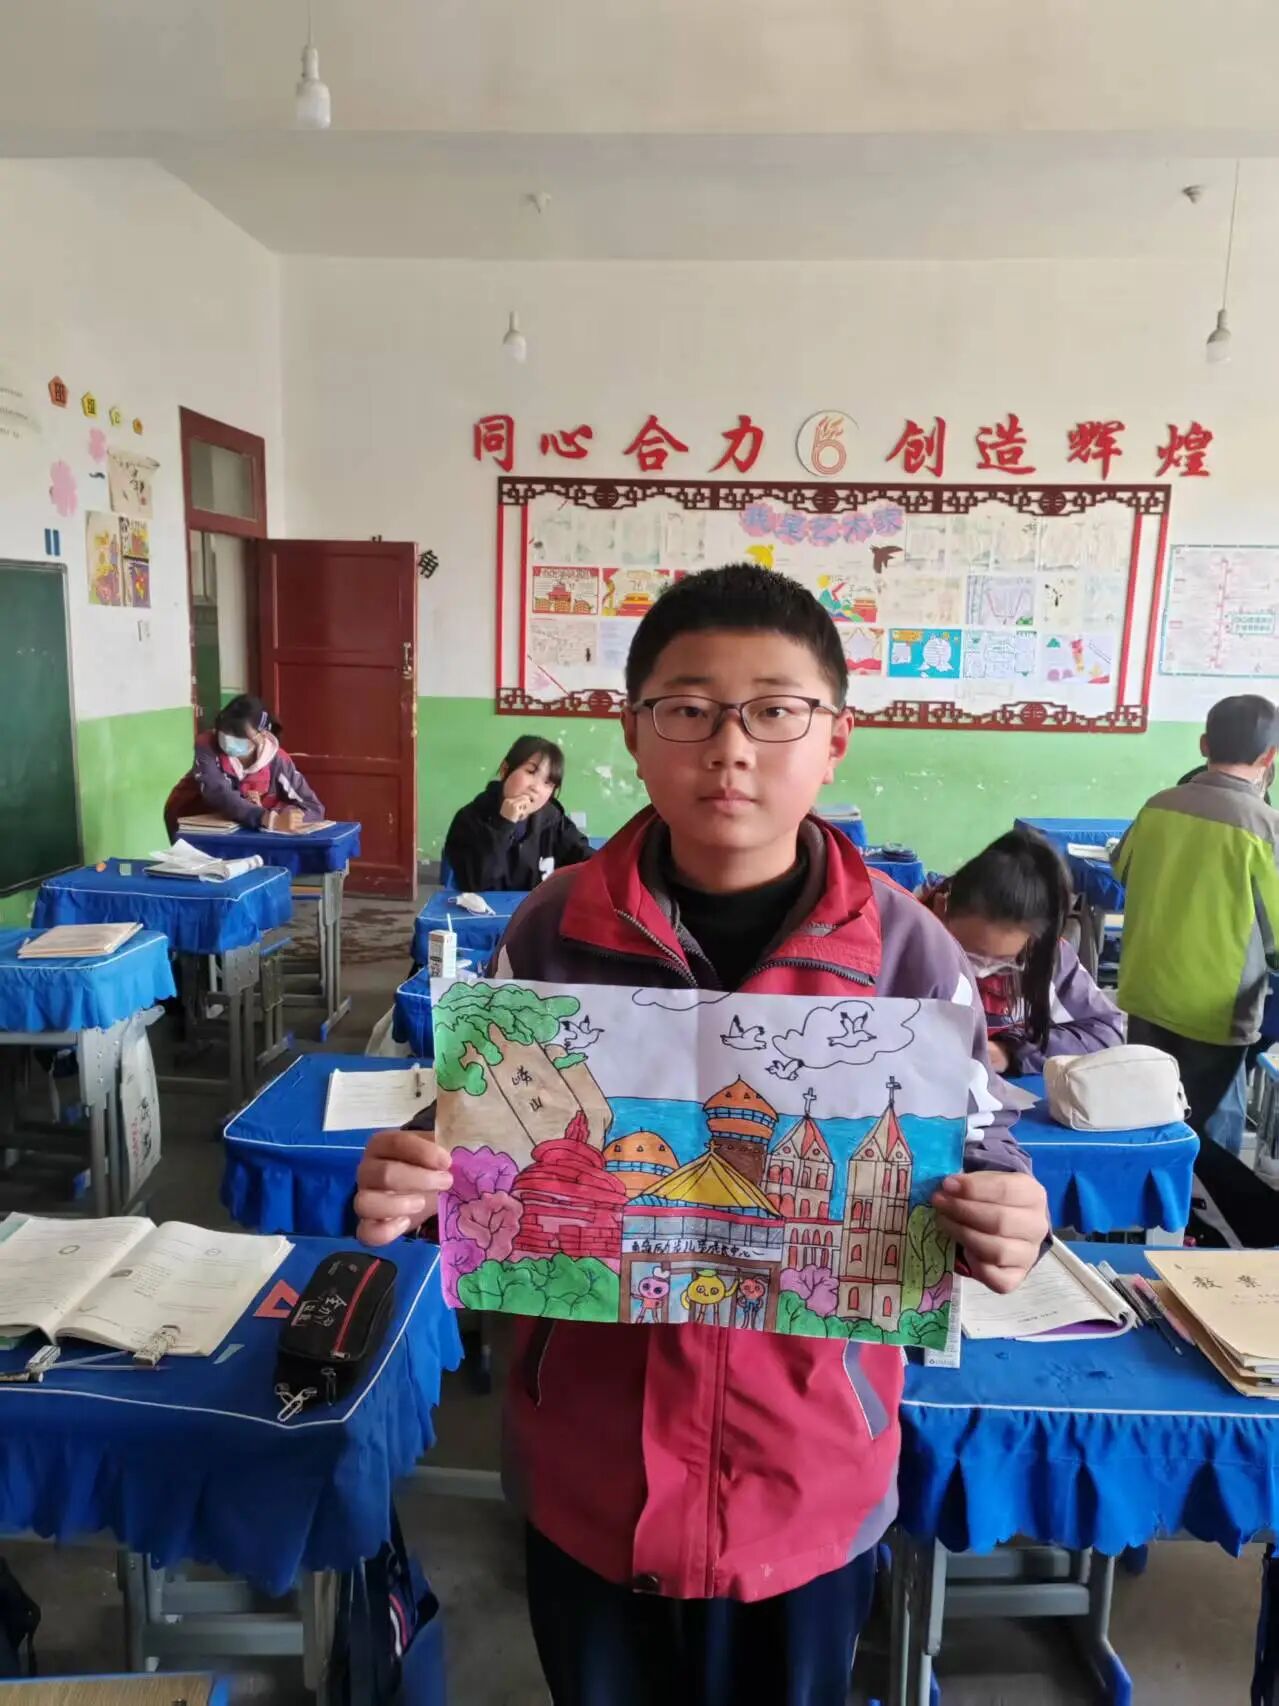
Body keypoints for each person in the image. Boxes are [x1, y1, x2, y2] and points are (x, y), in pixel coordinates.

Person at [355, 564, 1048, 1706]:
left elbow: (979, 1155)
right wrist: (420, 1176)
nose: (730, 748)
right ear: (634, 733)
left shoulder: (909, 955)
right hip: (590, 1470)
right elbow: (487, 1136)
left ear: (834, 739)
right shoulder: (549, 928)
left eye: (775, 710)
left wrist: (1008, 1217)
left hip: (807, 1474)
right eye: (687, 708)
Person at [1113, 693, 1279, 1160]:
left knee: (1147, 1108)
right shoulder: (1265, 827)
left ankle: (1146, 1192)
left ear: (1203, 744)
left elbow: (1122, 869)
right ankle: (1201, 1203)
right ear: (1269, 757)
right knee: (1211, 1125)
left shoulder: (1158, 805)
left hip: (1146, 989)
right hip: (1216, 1009)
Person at [920, 828, 1125, 1076]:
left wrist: (1011, 1051)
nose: (981, 971)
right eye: (969, 954)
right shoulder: (904, 942)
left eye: (1003, 962)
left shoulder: (1045, 959)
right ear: (942, 907)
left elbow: (1107, 1032)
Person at [163, 693, 324, 838]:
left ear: (262, 735)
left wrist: (287, 816)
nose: (228, 739)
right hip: (190, 818)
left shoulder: (278, 760)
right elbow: (218, 793)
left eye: (238, 735)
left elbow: (313, 807)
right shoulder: (207, 746)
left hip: (242, 828)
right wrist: (267, 818)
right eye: (224, 732)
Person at [442, 735, 591, 891]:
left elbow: (585, 858)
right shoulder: (470, 819)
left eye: (548, 782)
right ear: (505, 770)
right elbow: (476, 883)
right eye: (530, 772)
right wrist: (503, 825)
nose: (536, 788)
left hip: (536, 905)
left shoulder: (553, 820)